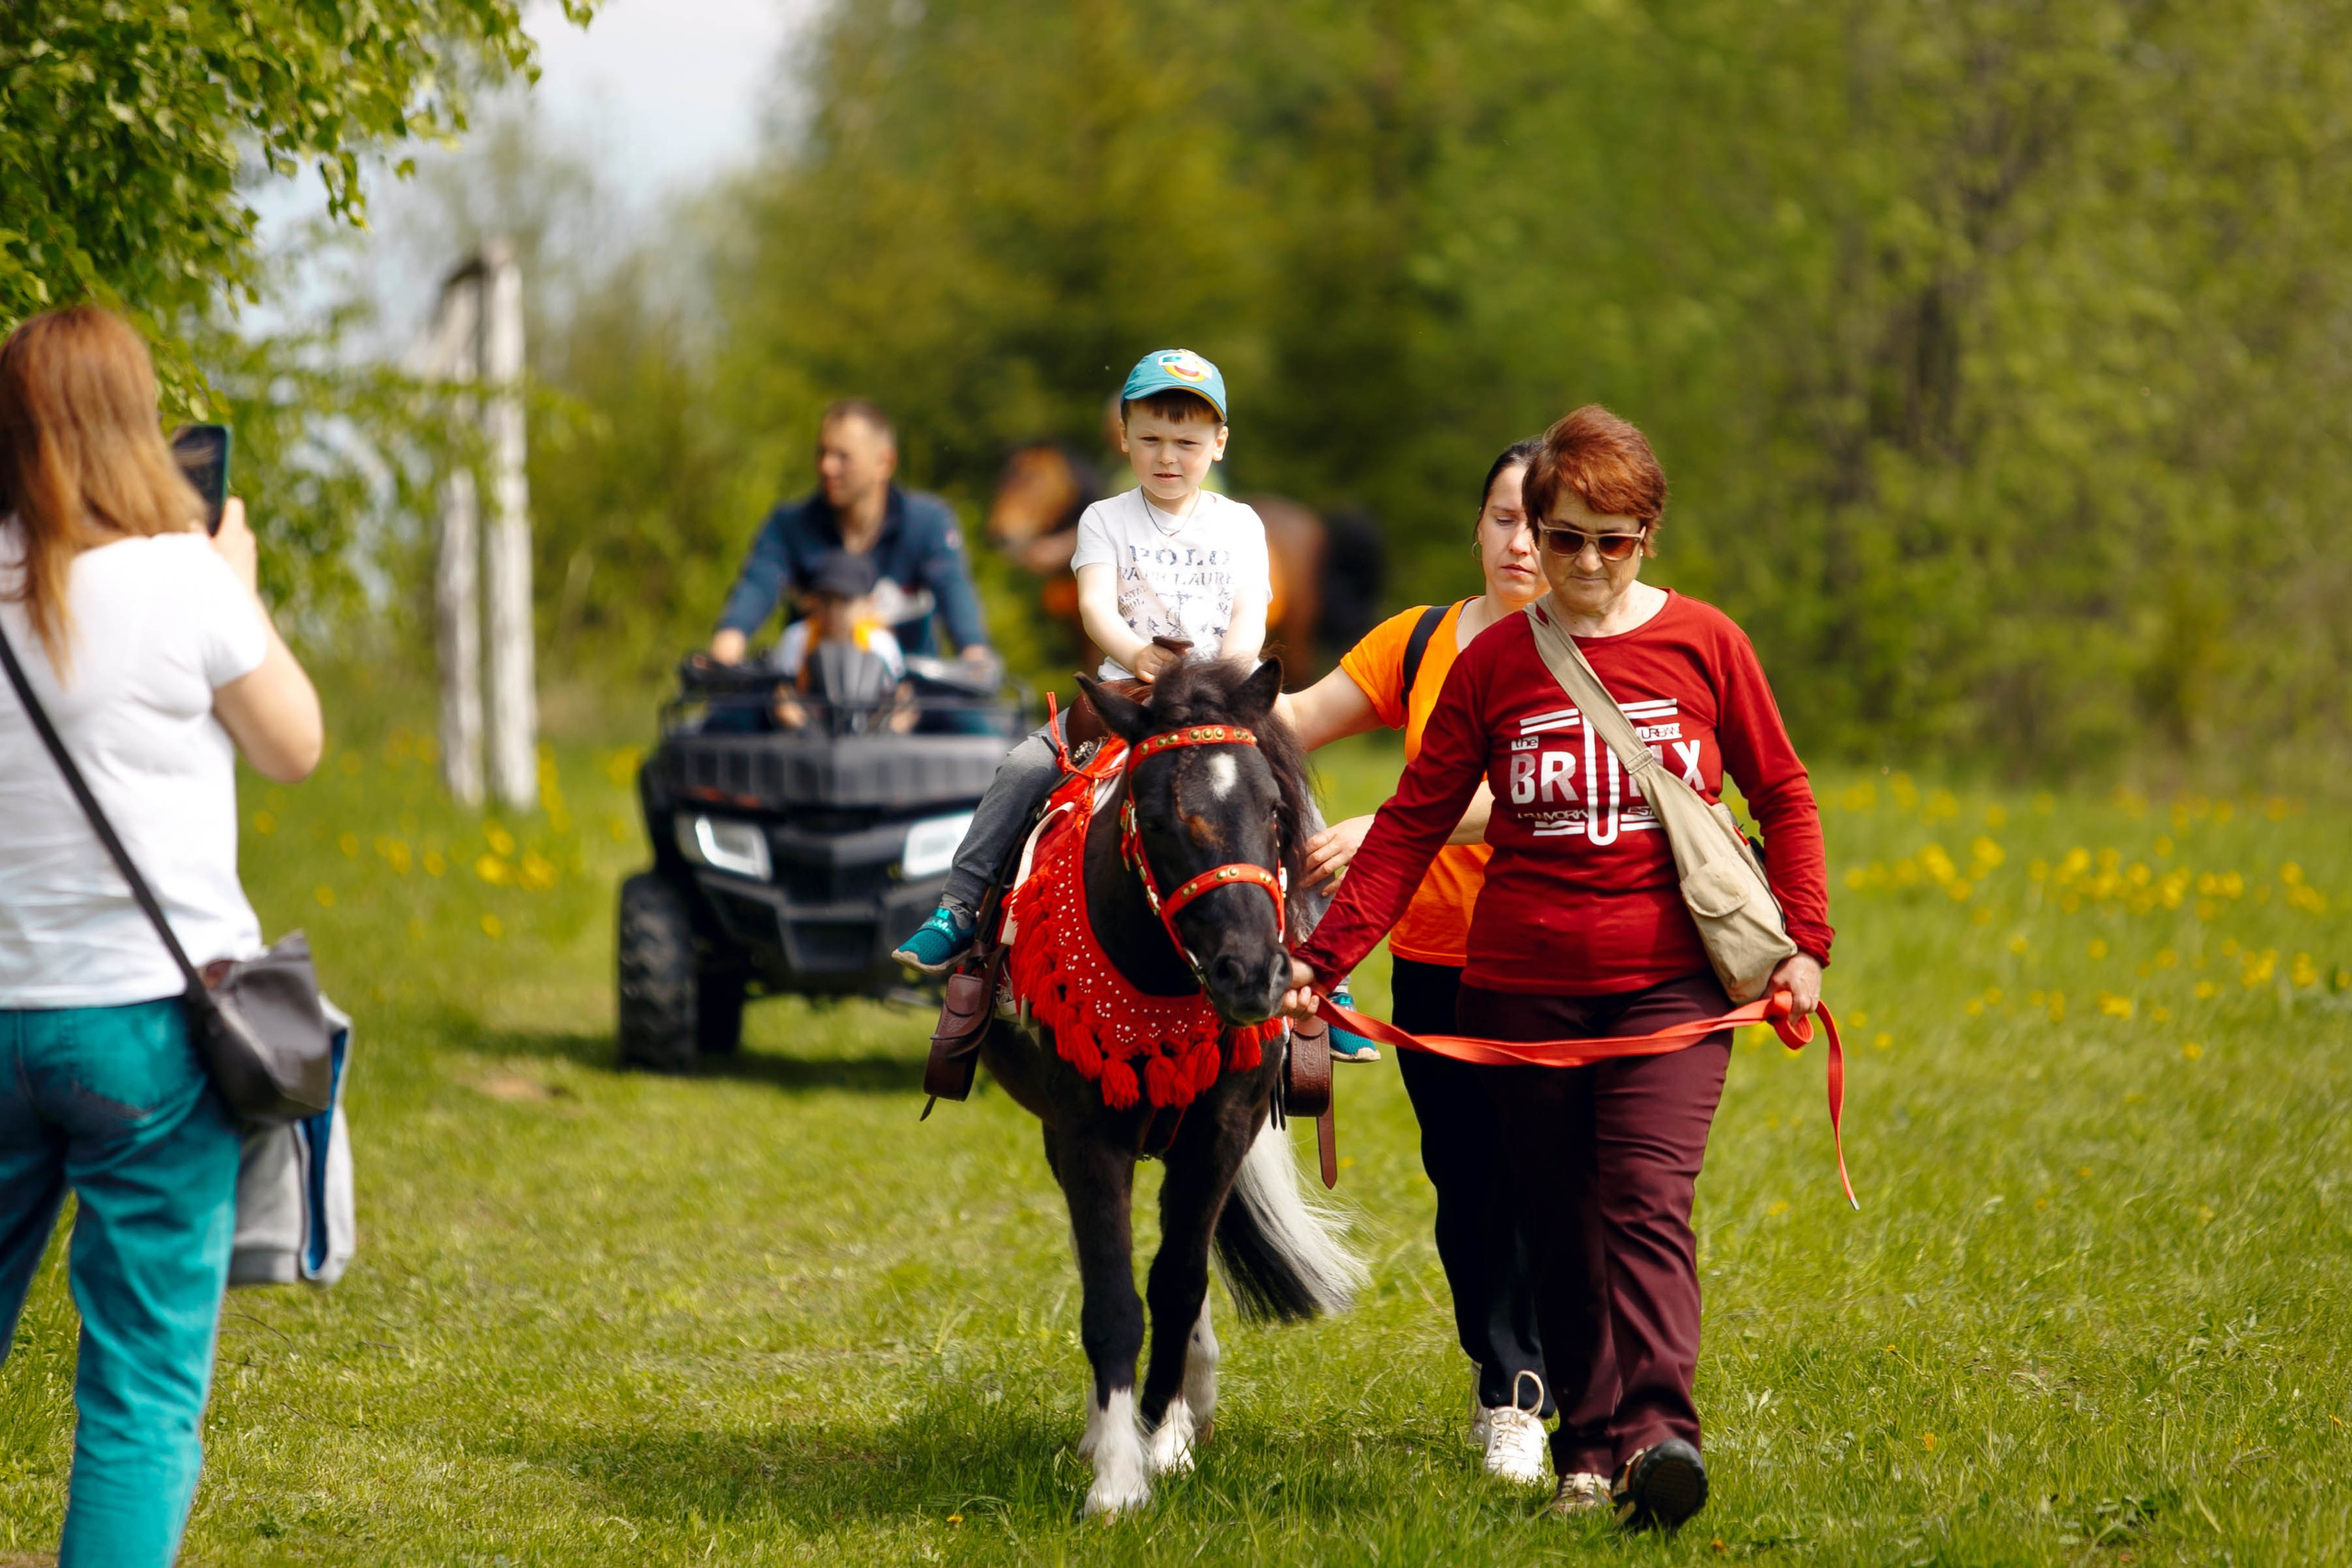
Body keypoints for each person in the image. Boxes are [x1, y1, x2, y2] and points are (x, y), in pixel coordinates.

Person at [1284, 406, 1830, 1530]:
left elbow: (1781, 793)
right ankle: (1588, 1445)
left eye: (1613, 540)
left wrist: (1807, 947)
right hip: (1520, 990)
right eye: (1566, 536)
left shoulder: (1706, 644)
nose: (1585, 562)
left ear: (1648, 539)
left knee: (1645, 1198)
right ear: (1534, 527)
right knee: (1558, 1216)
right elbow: (1407, 830)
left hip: (1669, 984)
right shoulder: (1490, 665)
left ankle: (1662, 1436)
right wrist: (1319, 961)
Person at [0, 305, 324, 1566]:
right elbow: (294, 745)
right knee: (137, 1390)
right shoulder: (183, 574)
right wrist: (234, 589)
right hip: (150, 1036)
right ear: (133, 426)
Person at [1272, 437, 1555, 1484]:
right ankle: (1501, 1376)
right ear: (1475, 528)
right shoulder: (1425, 638)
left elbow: (1535, 792)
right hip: (1435, 957)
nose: (1521, 540)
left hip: (1556, 956)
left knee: (1546, 1179)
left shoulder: (1582, 644)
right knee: (1465, 1182)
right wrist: (1194, 709)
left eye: (1539, 520)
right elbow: (1301, 720)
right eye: (1503, 517)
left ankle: (1528, 1393)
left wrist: (1403, 824)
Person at [894, 348, 1270, 972]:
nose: (1168, 456)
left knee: (1288, 788)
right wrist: (1136, 653)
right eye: (1150, 438)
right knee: (1021, 765)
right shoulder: (1104, 519)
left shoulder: (1240, 524)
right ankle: (959, 906)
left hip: (1219, 697)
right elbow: (1096, 607)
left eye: (1186, 440)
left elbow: (1249, 615)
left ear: (1219, 442)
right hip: (1129, 691)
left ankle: (1314, 949)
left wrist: (1226, 678)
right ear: (1123, 438)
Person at [710, 399, 993, 671]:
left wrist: (973, 649)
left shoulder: (927, 523)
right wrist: (731, 635)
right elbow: (759, 582)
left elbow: (953, 586)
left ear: (885, 463)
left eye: (842, 456)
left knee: (975, 721)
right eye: (822, 453)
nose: (827, 467)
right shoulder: (791, 525)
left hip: (912, 687)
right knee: (726, 718)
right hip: (808, 687)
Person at [768, 549, 915, 733]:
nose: (834, 611)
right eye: (827, 599)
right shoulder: (797, 637)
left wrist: (886, 729)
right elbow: (783, 692)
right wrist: (797, 723)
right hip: (806, 739)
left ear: (867, 603)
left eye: (845, 600)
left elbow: (900, 696)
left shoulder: (880, 642)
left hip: (871, 740)